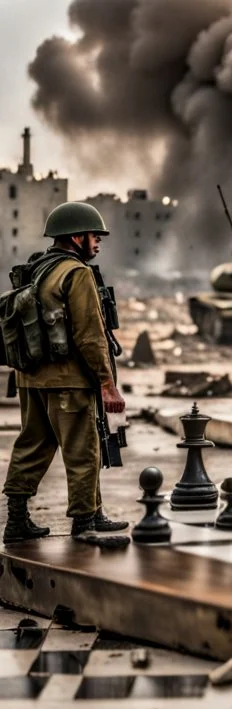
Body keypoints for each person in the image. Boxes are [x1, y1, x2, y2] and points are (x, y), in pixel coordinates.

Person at [3, 202, 129, 543]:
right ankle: (86, 520)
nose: (99, 242)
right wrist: (107, 383)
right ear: (77, 237)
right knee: (83, 449)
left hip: (30, 378)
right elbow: (90, 336)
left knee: (32, 444)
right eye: (95, 236)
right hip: (69, 382)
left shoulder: (37, 268)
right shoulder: (77, 273)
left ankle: (16, 520)